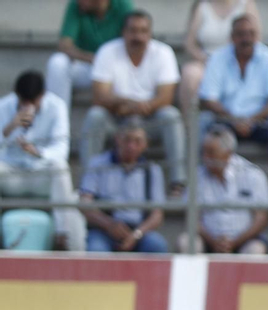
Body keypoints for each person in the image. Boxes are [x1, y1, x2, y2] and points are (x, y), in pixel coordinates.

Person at [82, 10, 184, 183]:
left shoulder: (163, 52)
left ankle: (178, 182)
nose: (138, 36)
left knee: (171, 116)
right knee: (95, 115)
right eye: (133, 31)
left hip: (150, 120)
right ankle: (88, 182)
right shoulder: (107, 51)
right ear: (123, 32)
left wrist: (134, 106)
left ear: (150, 33)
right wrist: (128, 102)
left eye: (143, 31)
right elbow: (100, 96)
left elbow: (166, 97)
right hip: (116, 119)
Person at [198, 13, 268, 192]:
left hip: (260, 121)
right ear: (232, 37)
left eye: (250, 33)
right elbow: (208, 99)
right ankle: (199, 184)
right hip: (226, 121)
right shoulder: (217, 58)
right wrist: (233, 119)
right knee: (202, 121)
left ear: (257, 36)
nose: (246, 39)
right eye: (241, 34)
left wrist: (252, 120)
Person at [0, 71, 86, 252]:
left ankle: (62, 235)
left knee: (60, 168)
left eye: (33, 101)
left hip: (41, 174)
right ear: (16, 95)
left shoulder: (57, 107)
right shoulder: (4, 106)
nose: (28, 105)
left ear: (42, 95)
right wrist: (9, 127)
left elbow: (62, 149)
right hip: (12, 175)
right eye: (23, 100)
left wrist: (38, 152)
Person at [177, 125, 268, 254]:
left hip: (245, 241)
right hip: (207, 240)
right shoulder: (197, 176)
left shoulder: (252, 173)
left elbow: (261, 218)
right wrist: (213, 241)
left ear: (228, 154)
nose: (205, 157)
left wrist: (235, 242)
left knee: (256, 249)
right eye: (204, 152)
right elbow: (192, 217)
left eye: (211, 152)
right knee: (186, 242)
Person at [79, 117, 167, 252]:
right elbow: (85, 203)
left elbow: (157, 214)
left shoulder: (153, 170)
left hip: (139, 231)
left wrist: (136, 234)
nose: (131, 146)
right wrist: (109, 225)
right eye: (127, 140)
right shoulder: (97, 164)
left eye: (137, 141)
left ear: (145, 144)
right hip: (103, 230)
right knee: (96, 249)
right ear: (117, 139)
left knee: (157, 245)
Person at [47, 0, 134, 107]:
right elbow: (64, 45)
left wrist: (107, 62)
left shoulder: (123, 5)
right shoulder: (76, 5)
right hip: (87, 65)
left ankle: (124, 112)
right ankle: (58, 115)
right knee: (58, 62)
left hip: (115, 68)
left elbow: (133, 40)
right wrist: (95, 59)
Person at [179, 0, 258, 115]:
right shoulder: (202, 6)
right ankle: (189, 122)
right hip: (206, 61)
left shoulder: (246, 4)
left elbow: (255, 40)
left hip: (237, 61)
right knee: (190, 74)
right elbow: (189, 44)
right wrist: (208, 60)